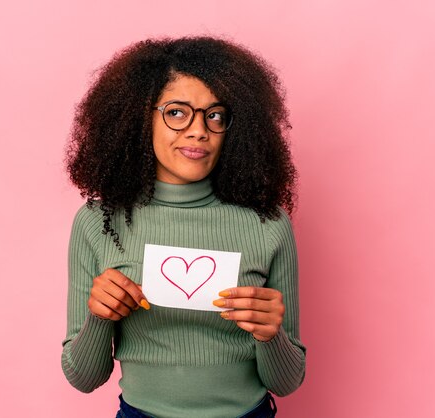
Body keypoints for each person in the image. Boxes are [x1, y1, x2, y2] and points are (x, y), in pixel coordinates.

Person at [61, 36, 306, 418]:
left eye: (215, 115)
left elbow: (287, 382)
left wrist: (270, 335)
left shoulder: (268, 223)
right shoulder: (98, 221)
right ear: (141, 117)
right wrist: (99, 317)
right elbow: (83, 377)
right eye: (177, 112)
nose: (199, 130)